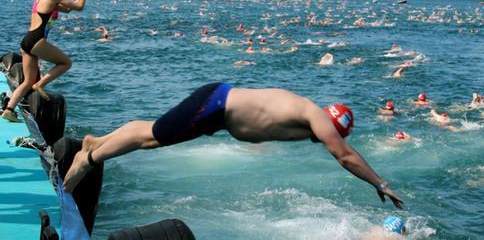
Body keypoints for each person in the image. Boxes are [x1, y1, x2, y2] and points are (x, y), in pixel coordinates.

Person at [62, 82, 404, 209]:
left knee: (151, 135)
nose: (324, 140)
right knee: (148, 137)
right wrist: (380, 183)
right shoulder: (315, 117)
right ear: (333, 126)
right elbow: (343, 156)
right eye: (331, 135)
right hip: (215, 107)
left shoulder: (308, 116)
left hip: (216, 109)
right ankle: (87, 159)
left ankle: (97, 142)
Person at [2, 0, 94, 123]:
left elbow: (68, 9)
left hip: (27, 41)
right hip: (37, 40)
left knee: (27, 81)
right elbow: (79, 7)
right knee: (66, 63)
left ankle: (9, 110)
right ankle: (40, 84)